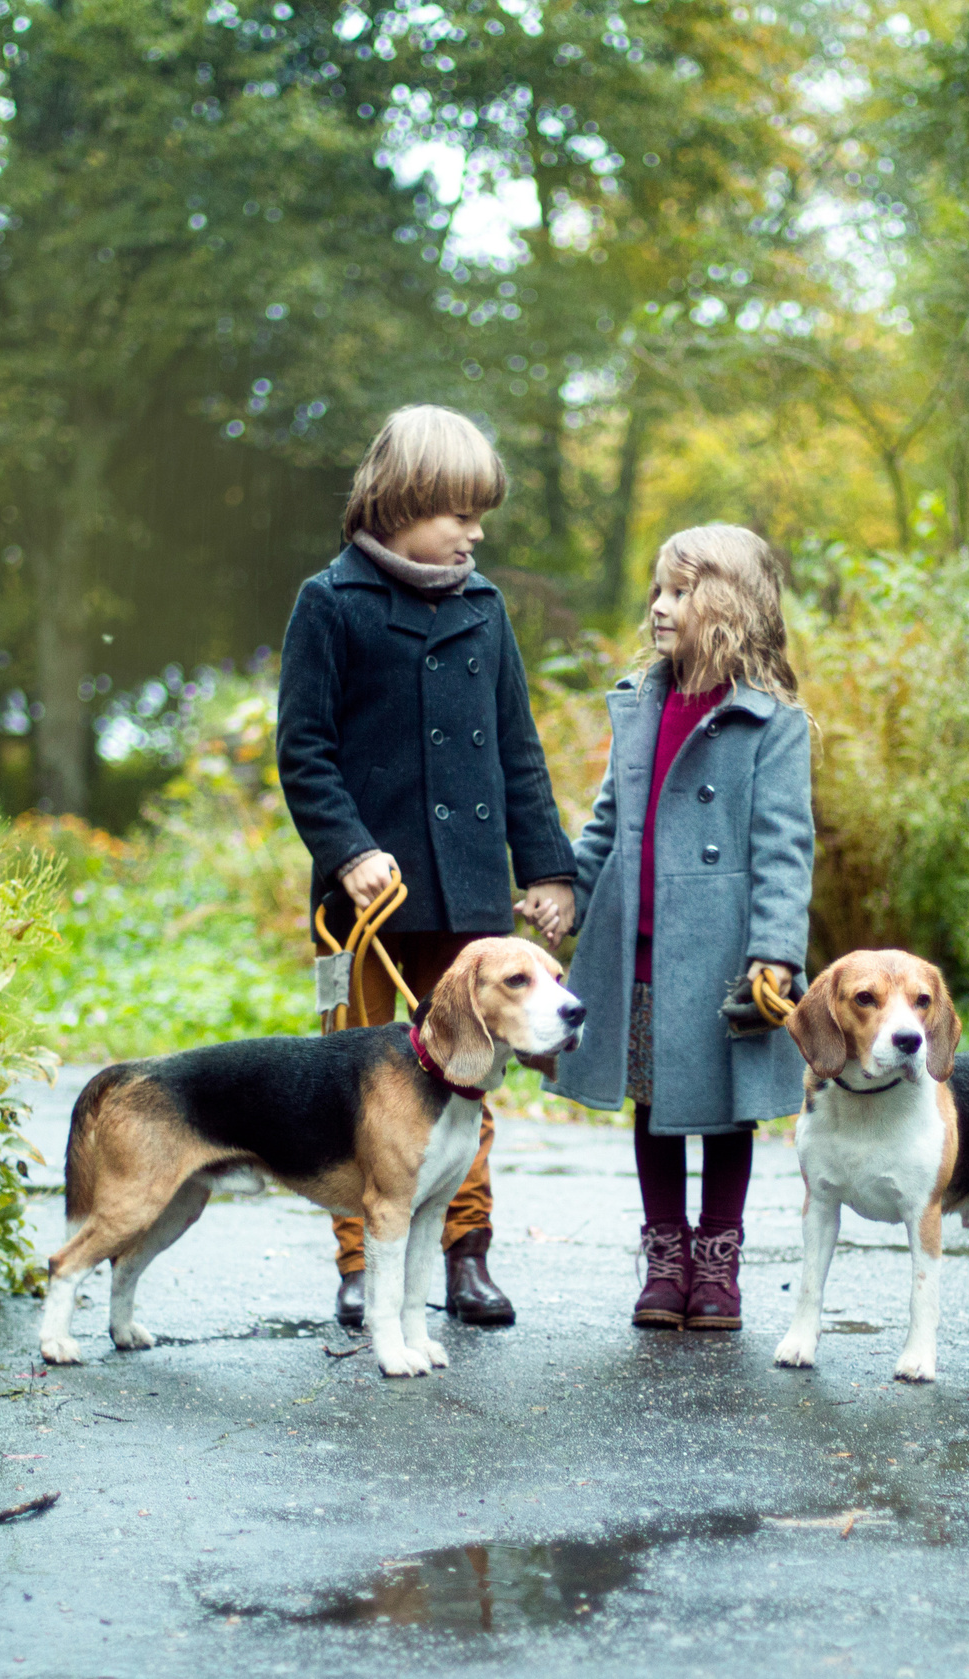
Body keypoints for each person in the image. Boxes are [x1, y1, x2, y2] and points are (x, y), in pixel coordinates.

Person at [275, 405, 578, 1330]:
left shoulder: (483, 609)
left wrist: (550, 870)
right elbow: (305, 750)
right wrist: (351, 849)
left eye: (481, 513)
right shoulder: (330, 603)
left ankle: (466, 1252)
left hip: (470, 896)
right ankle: (362, 1259)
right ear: (402, 500)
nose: (476, 531)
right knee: (359, 1083)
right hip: (367, 905)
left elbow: (517, 750)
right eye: (458, 511)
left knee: (470, 1070)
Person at [547, 524, 812, 1331]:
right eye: (657, 591)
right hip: (641, 953)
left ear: (728, 605)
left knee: (727, 1113)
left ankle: (718, 1262)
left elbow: (784, 849)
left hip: (727, 955)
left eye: (680, 592)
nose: (659, 608)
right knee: (653, 1105)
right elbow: (605, 826)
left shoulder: (772, 724)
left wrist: (775, 951)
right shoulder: (640, 706)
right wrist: (569, 895)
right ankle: (666, 1258)